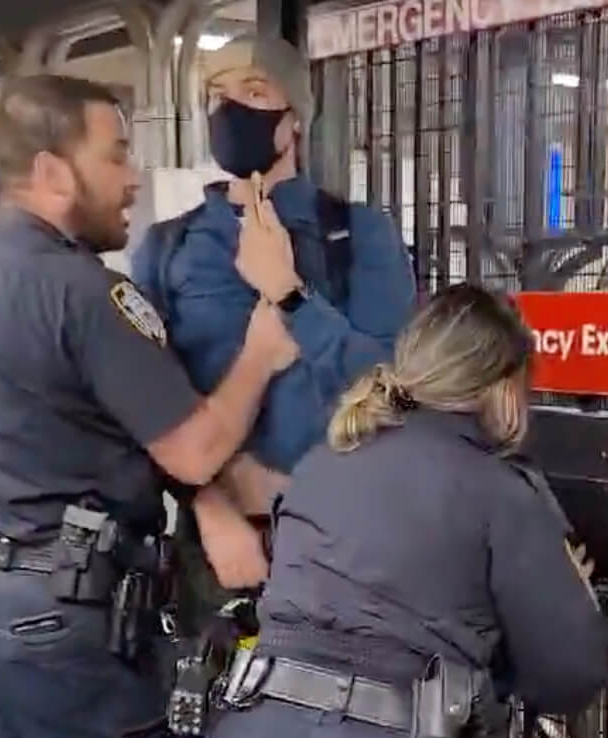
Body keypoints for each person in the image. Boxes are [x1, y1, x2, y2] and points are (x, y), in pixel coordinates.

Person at [0, 75, 299, 738]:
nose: (134, 178)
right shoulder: (87, 294)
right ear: (52, 172)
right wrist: (263, 347)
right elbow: (195, 450)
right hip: (55, 635)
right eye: (116, 155)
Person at [209, 284, 608, 738]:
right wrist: (572, 593)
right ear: (505, 387)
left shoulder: (322, 462)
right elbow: (568, 678)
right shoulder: (502, 490)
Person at [131, 34, 416, 633]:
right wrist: (210, 511)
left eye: (254, 90)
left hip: (344, 544)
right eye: (215, 94)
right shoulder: (169, 246)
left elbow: (396, 387)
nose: (229, 108)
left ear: (295, 119)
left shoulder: (359, 235)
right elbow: (144, 409)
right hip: (217, 552)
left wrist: (291, 296)